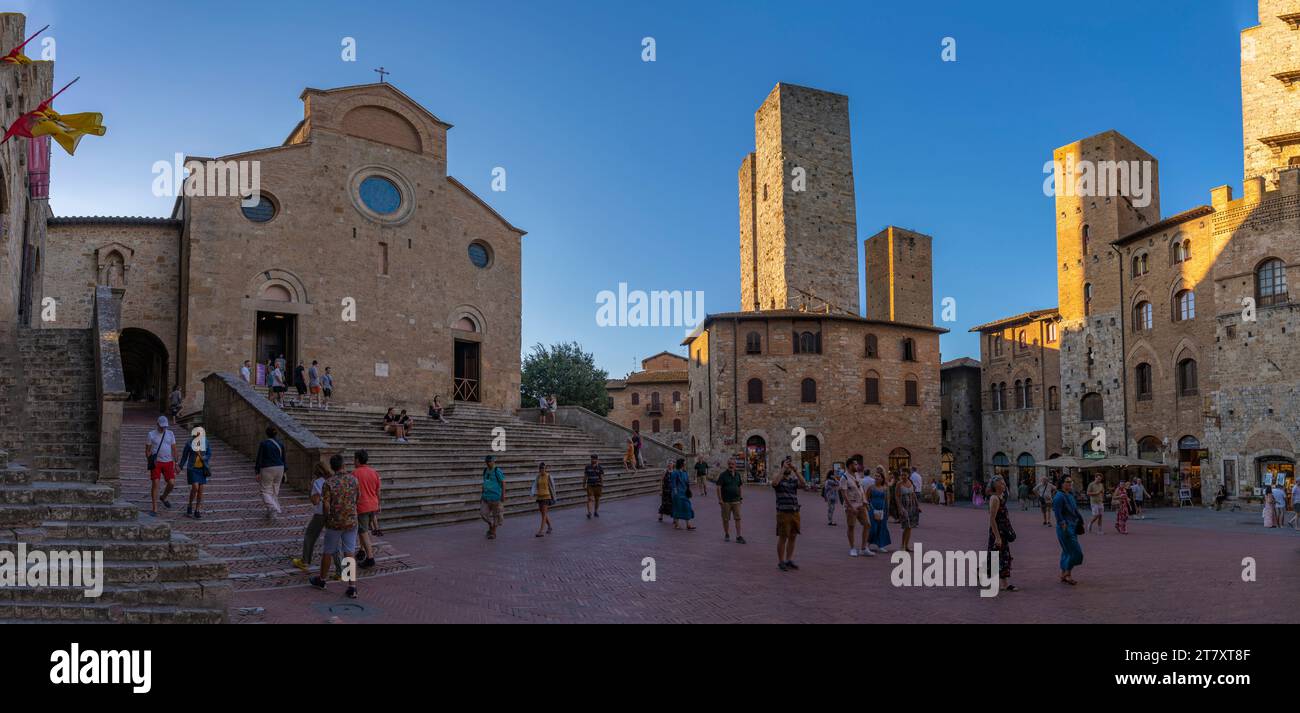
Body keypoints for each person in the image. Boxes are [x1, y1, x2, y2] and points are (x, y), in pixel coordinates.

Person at [309, 453, 359, 599]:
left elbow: (325, 504)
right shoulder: (354, 480)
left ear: (332, 467)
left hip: (334, 522)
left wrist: (326, 517)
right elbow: (358, 498)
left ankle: (322, 580)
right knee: (349, 552)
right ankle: (352, 586)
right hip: (351, 520)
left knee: (328, 551)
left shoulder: (329, 483)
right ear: (343, 465)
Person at [293, 461, 334, 573]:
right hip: (333, 512)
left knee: (310, 536)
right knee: (335, 540)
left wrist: (310, 489)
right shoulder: (333, 480)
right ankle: (340, 571)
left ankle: (305, 561)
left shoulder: (317, 482)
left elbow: (315, 501)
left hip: (320, 513)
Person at [773, 457, 807, 571]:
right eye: (786, 464)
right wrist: (783, 469)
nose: (788, 466)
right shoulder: (778, 478)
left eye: (789, 465)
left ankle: (789, 560)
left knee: (793, 536)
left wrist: (796, 471)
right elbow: (774, 483)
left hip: (795, 512)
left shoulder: (793, 480)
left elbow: (804, 484)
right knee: (783, 537)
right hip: (783, 512)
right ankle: (781, 561)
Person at [1053, 476, 1085, 585]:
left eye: (1071, 482)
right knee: (1076, 552)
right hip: (1065, 527)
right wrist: (1063, 525)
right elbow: (1057, 513)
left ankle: (1065, 574)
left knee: (1067, 551)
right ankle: (1067, 573)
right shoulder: (1059, 497)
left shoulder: (1070, 495)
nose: (1070, 484)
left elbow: (1074, 510)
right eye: (1067, 482)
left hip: (1073, 526)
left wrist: (1080, 519)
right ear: (1061, 483)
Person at [986, 476, 1016, 592]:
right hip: (997, 532)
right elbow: (992, 519)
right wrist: (997, 537)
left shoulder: (1001, 496)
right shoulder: (994, 498)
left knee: (1003, 556)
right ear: (996, 485)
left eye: (1004, 483)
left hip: (1003, 531)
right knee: (995, 556)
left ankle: (1004, 583)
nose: (1004, 485)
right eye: (1001, 483)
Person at [352, 450, 381, 568]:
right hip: (373, 504)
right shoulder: (374, 472)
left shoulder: (355, 473)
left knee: (363, 532)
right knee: (364, 530)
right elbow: (378, 490)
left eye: (354, 459)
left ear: (358, 460)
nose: (353, 461)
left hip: (362, 506)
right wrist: (378, 504)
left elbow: (352, 491)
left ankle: (370, 558)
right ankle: (362, 550)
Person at [145, 415, 177, 516]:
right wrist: (150, 460)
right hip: (157, 462)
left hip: (168, 462)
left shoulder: (170, 434)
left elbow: (174, 449)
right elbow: (148, 450)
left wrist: (176, 463)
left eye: (165, 426)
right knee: (155, 483)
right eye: (161, 426)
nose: (163, 428)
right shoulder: (151, 434)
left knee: (171, 483)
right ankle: (154, 508)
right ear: (157, 424)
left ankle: (163, 497)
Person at [253, 426, 286, 521]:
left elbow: (260, 457)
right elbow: (284, 458)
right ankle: (272, 513)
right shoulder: (280, 443)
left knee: (265, 490)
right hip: (280, 467)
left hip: (267, 467)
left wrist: (257, 470)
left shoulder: (264, 444)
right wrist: (285, 471)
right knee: (275, 489)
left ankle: (272, 507)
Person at [178, 430, 211, 519]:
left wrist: (204, 457)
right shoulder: (189, 443)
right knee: (195, 487)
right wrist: (180, 466)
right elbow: (184, 456)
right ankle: (190, 504)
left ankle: (197, 510)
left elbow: (209, 453)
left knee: (200, 490)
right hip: (192, 468)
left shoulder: (206, 441)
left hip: (202, 469)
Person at [840, 464, 870, 557]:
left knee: (867, 524)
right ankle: (852, 548)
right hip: (851, 506)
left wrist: (865, 501)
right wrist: (850, 507)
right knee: (851, 526)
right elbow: (844, 494)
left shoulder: (857, 475)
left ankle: (863, 548)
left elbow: (861, 489)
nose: (857, 466)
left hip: (861, 504)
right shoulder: (844, 478)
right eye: (854, 464)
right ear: (849, 466)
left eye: (857, 464)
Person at [716, 458, 745, 543]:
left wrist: (740, 497)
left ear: (735, 465)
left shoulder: (737, 475)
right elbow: (718, 487)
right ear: (727, 465)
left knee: (738, 518)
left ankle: (738, 536)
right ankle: (727, 534)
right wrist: (720, 499)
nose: (731, 466)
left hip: (736, 500)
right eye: (729, 464)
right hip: (726, 501)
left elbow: (739, 486)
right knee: (725, 519)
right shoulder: (723, 475)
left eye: (732, 464)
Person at [895, 466, 921, 553]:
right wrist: (900, 508)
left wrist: (918, 506)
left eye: (905, 475)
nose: (903, 476)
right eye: (902, 475)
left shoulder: (910, 482)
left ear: (908, 475)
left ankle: (907, 546)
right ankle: (902, 545)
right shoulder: (899, 484)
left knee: (910, 527)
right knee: (906, 526)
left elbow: (913, 494)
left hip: (912, 506)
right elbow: (897, 497)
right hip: (904, 506)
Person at [480, 455, 506, 539]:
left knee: (496, 515)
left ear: (493, 461)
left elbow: (503, 483)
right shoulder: (485, 471)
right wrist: (482, 494)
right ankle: (490, 525)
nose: (488, 463)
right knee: (483, 513)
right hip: (486, 497)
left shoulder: (497, 470)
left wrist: (503, 495)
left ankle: (493, 532)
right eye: (487, 462)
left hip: (496, 497)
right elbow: (484, 483)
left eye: (489, 461)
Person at [866, 470, 892, 554]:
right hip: (872, 509)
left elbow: (887, 500)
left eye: (878, 476)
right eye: (875, 476)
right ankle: (867, 544)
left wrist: (887, 511)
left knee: (882, 527)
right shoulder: (871, 487)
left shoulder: (885, 488)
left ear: (882, 479)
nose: (876, 478)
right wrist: (869, 507)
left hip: (882, 510)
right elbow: (866, 498)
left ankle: (881, 545)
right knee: (873, 528)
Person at [670, 458, 695, 530]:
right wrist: (675, 493)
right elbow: (673, 484)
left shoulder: (685, 472)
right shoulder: (675, 473)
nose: (685, 464)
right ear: (681, 464)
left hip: (684, 493)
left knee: (687, 507)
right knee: (678, 508)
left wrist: (688, 490)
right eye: (684, 463)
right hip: (677, 493)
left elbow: (687, 482)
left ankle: (688, 525)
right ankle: (677, 524)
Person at [531, 462, 555, 537]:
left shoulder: (548, 476)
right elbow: (534, 485)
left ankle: (541, 531)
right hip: (539, 496)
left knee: (544, 513)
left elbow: (552, 487)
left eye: (543, 468)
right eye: (540, 468)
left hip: (546, 496)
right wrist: (532, 493)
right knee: (542, 513)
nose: (541, 470)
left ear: (545, 469)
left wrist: (554, 496)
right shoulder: (538, 476)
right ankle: (550, 526)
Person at [584, 453, 604, 519]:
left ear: (597, 459)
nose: (593, 460)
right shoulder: (587, 467)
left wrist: (602, 484)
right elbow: (585, 476)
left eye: (594, 459)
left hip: (598, 485)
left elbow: (601, 477)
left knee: (597, 499)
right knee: (590, 498)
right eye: (592, 459)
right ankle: (589, 512)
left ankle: (595, 511)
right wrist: (584, 484)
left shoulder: (600, 467)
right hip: (590, 485)